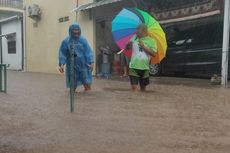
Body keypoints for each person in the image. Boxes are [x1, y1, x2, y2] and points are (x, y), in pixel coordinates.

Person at [59, 23, 94, 92]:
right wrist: (62, 64)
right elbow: (62, 53)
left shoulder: (83, 40)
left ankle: (87, 98)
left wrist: (91, 62)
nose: (76, 32)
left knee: (86, 82)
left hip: (83, 65)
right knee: (73, 83)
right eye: (74, 30)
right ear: (70, 30)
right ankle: (73, 94)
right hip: (72, 66)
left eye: (77, 30)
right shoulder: (66, 41)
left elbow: (88, 51)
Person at [128, 24, 157, 92]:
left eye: (138, 29)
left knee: (143, 89)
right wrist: (128, 45)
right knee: (134, 88)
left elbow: (153, 54)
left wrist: (143, 46)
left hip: (145, 67)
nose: (136, 31)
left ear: (143, 30)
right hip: (133, 66)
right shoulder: (134, 38)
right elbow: (127, 49)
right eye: (136, 29)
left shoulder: (151, 40)